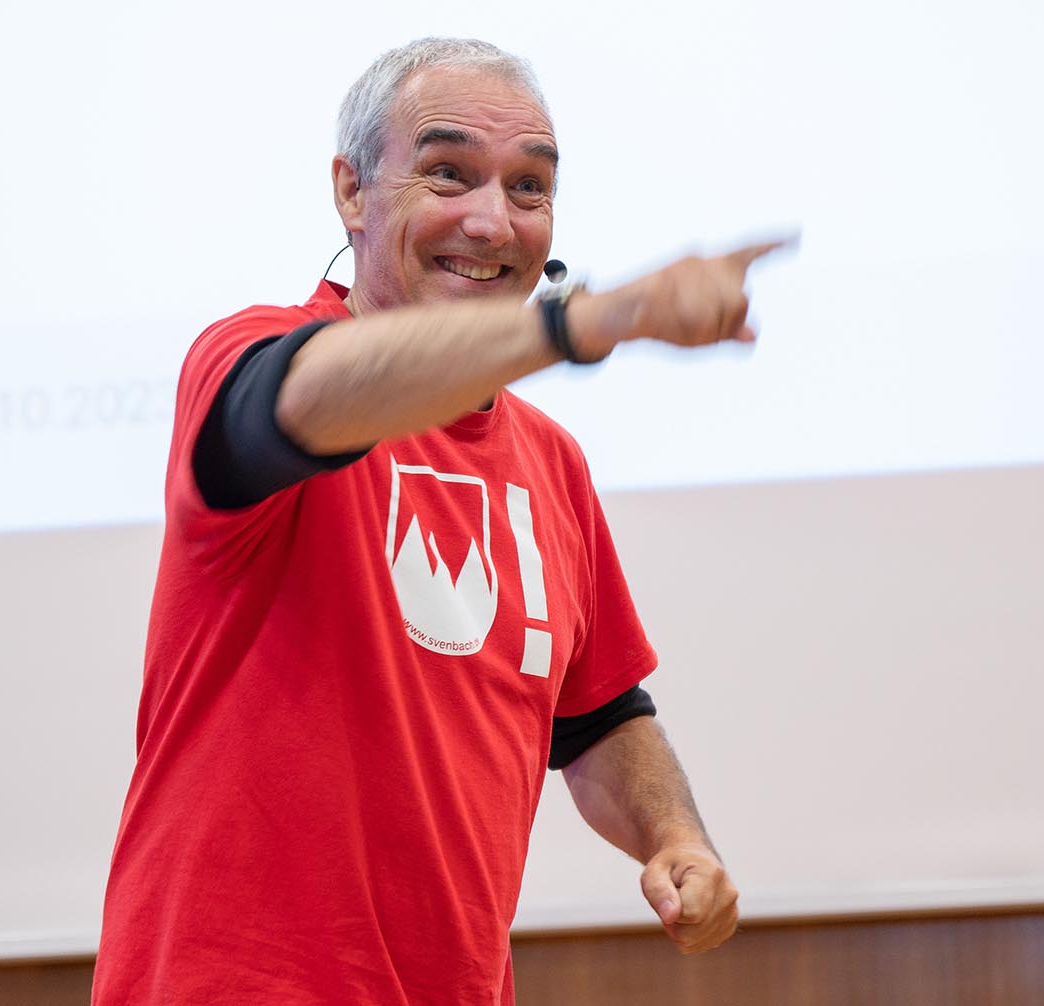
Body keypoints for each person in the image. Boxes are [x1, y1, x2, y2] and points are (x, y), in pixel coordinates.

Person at [92, 36, 782, 1005]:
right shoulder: (253, 356)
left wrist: (676, 835)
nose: (493, 222)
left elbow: (598, 718)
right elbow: (307, 399)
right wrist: (585, 323)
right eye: (448, 174)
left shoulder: (551, 463)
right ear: (351, 192)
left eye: (530, 188)